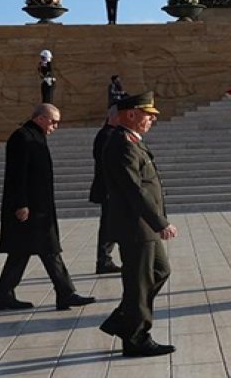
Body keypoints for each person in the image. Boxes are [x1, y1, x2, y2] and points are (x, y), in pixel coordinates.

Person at [0, 104, 95, 311]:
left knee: (22, 252)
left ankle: (4, 296)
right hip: (30, 209)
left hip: (39, 207)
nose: (55, 126)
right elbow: (16, 174)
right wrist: (21, 204)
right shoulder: (23, 137)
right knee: (48, 249)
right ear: (39, 118)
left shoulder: (35, 136)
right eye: (53, 121)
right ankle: (65, 293)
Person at [98, 93, 177, 357]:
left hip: (143, 225)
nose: (153, 118)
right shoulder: (122, 144)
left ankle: (124, 320)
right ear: (131, 114)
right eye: (148, 113)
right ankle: (136, 337)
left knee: (159, 272)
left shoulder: (132, 142)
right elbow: (134, 190)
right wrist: (160, 222)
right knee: (139, 282)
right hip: (135, 225)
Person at [90, 107, 121, 274]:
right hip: (109, 189)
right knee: (109, 224)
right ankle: (104, 260)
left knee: (110, 224)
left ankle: (105, 259)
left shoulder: (108, 134)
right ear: (113, 117)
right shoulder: (107, 135)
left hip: (109, 188)